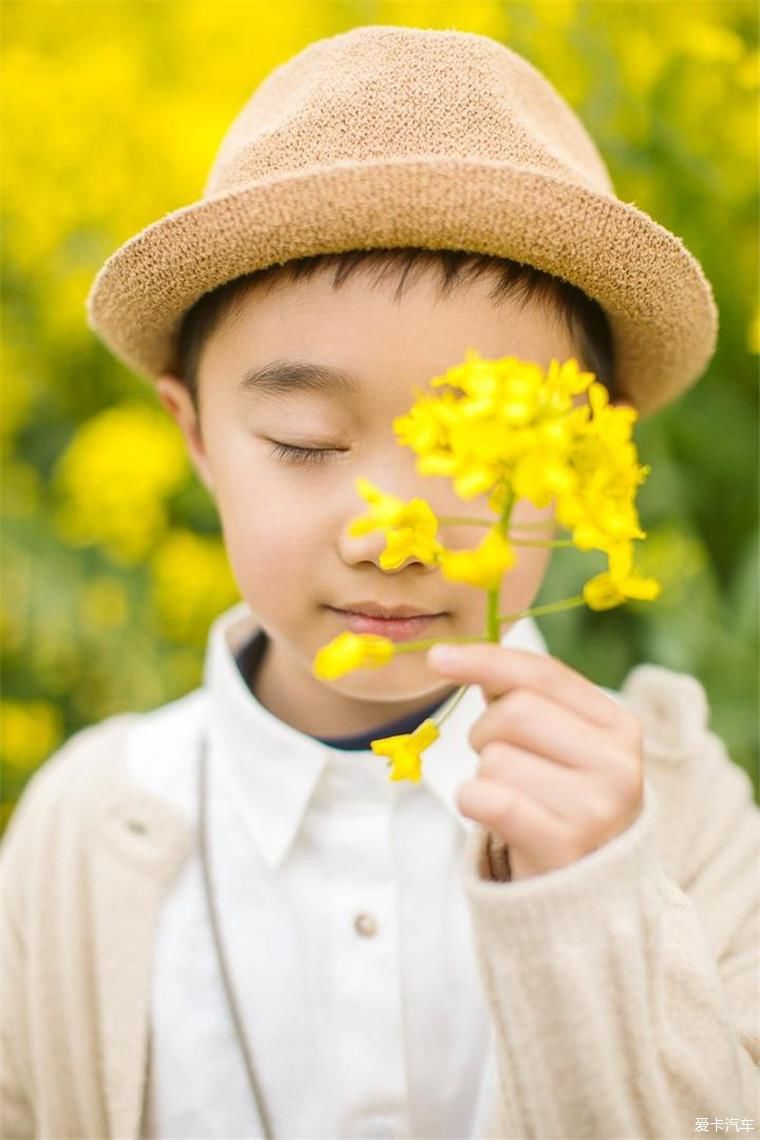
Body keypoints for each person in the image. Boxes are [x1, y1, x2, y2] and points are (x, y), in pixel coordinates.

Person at [1, 24, 758, 1140]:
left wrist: (589, 910)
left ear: (593, 458)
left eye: (481, 461)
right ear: (197, 435)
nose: (391, 534)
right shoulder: (80, 832)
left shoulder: (683, 815)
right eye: (306, 442)